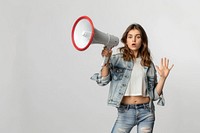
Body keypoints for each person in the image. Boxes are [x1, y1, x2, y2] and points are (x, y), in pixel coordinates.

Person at [91, 23, 174, 133]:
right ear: (126, 40)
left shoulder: (148, 63)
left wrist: (163, 78)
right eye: (130, 37)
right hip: (125, 113)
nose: (133, 40)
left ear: (142, 40)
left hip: (146, 112)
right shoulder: (116, 59)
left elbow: (154, 96)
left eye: (138, 37)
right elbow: (103, 81)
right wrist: (106, 60)